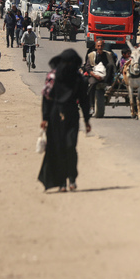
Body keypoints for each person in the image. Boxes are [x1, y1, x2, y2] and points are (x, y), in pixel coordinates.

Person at [38, 49, 91, 192]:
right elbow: (46, 98)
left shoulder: (78, 79)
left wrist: (87, 120)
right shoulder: (53, 77)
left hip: (72, 114)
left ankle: (72, 179)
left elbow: (84, 101)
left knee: (70, 147)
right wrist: (45, 118)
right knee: (59, 148)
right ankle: (61, 182)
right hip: (55, 115)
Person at [83, 40, 115, 114]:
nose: (100, 47)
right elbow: (87, 67)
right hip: (94, 75)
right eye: (98, 46)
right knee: (92, 84)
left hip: (105, 76)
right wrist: (95, 75)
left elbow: (112, 66)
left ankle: (107, 84)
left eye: (101, 46)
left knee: (109, 66)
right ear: (96, 46)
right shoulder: (91, 55)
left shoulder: (108, 54)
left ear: (103, 46)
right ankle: (91, 106)